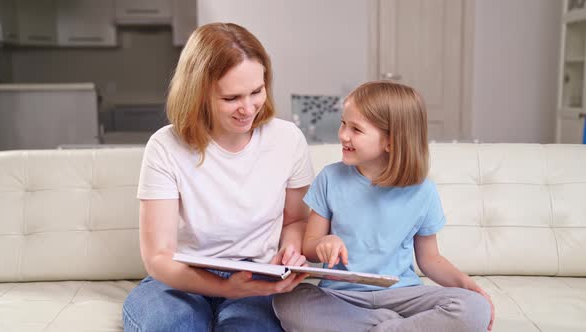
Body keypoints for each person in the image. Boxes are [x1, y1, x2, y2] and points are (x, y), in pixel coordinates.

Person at [122, 22, 314, 332]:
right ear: (198, 93)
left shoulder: (288, 139)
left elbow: (295, 221)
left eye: (257, 91)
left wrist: (290, 252)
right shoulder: (165, 146)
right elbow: (159, 256)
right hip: (181, 277)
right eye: (231, 98)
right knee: (170, 325)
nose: (248, 108)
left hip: (256, 276)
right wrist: (225, 288)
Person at [273, 81, 495, 332]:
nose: (343, 134)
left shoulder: (423, 191)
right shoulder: (330, 178)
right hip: (342, 298)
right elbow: (309, 245)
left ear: (391, 141)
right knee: (288, 301)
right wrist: (324, 243)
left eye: (356, 129)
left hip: (400, 295)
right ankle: (392, 327)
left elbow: (430, 259)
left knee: (474, 308)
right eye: (343, 123)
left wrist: (468, 286)